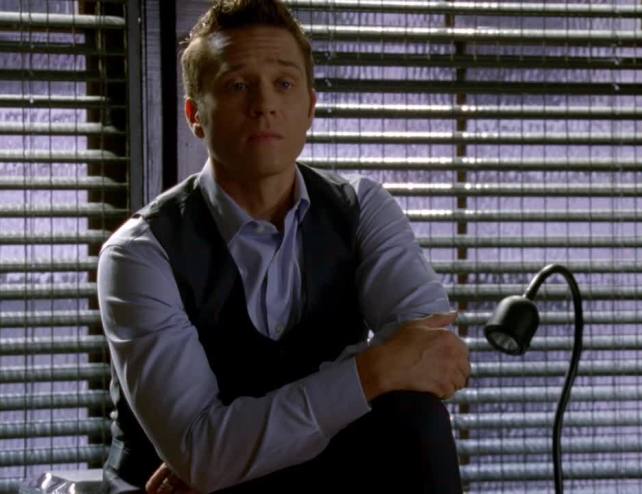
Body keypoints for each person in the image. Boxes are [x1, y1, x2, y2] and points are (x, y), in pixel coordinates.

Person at [96, 0, 470, 493]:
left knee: (415, 416)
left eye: (284, 84)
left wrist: (231, 455)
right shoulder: (140, 252)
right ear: (195, 115)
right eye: (237, 85)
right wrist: (375, 367)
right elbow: (200, 451)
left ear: (310, 107)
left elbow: (435, 358)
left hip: (269, 480)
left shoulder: (360, 207)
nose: (264, 104)